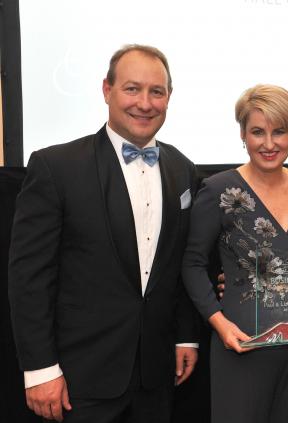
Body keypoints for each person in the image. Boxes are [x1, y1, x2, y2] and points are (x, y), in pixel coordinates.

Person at [8, 44, 199, 423]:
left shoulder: (183, 168)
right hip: (78, 378)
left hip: (156, 374)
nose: (145, 103)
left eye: (156, 92)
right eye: (132, 89)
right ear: (106, 90)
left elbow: (179, 263)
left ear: (169, 97)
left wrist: (185, 336)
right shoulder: (56, 167)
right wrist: (40, 369)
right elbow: (30, 278)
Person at [182, 84, 288, 423]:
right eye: (257, 132)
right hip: (241, 345)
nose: (269, 144)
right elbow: (192, 263)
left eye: (279, 132)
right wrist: (219, 323)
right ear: (242, 134)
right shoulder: (218, 190)